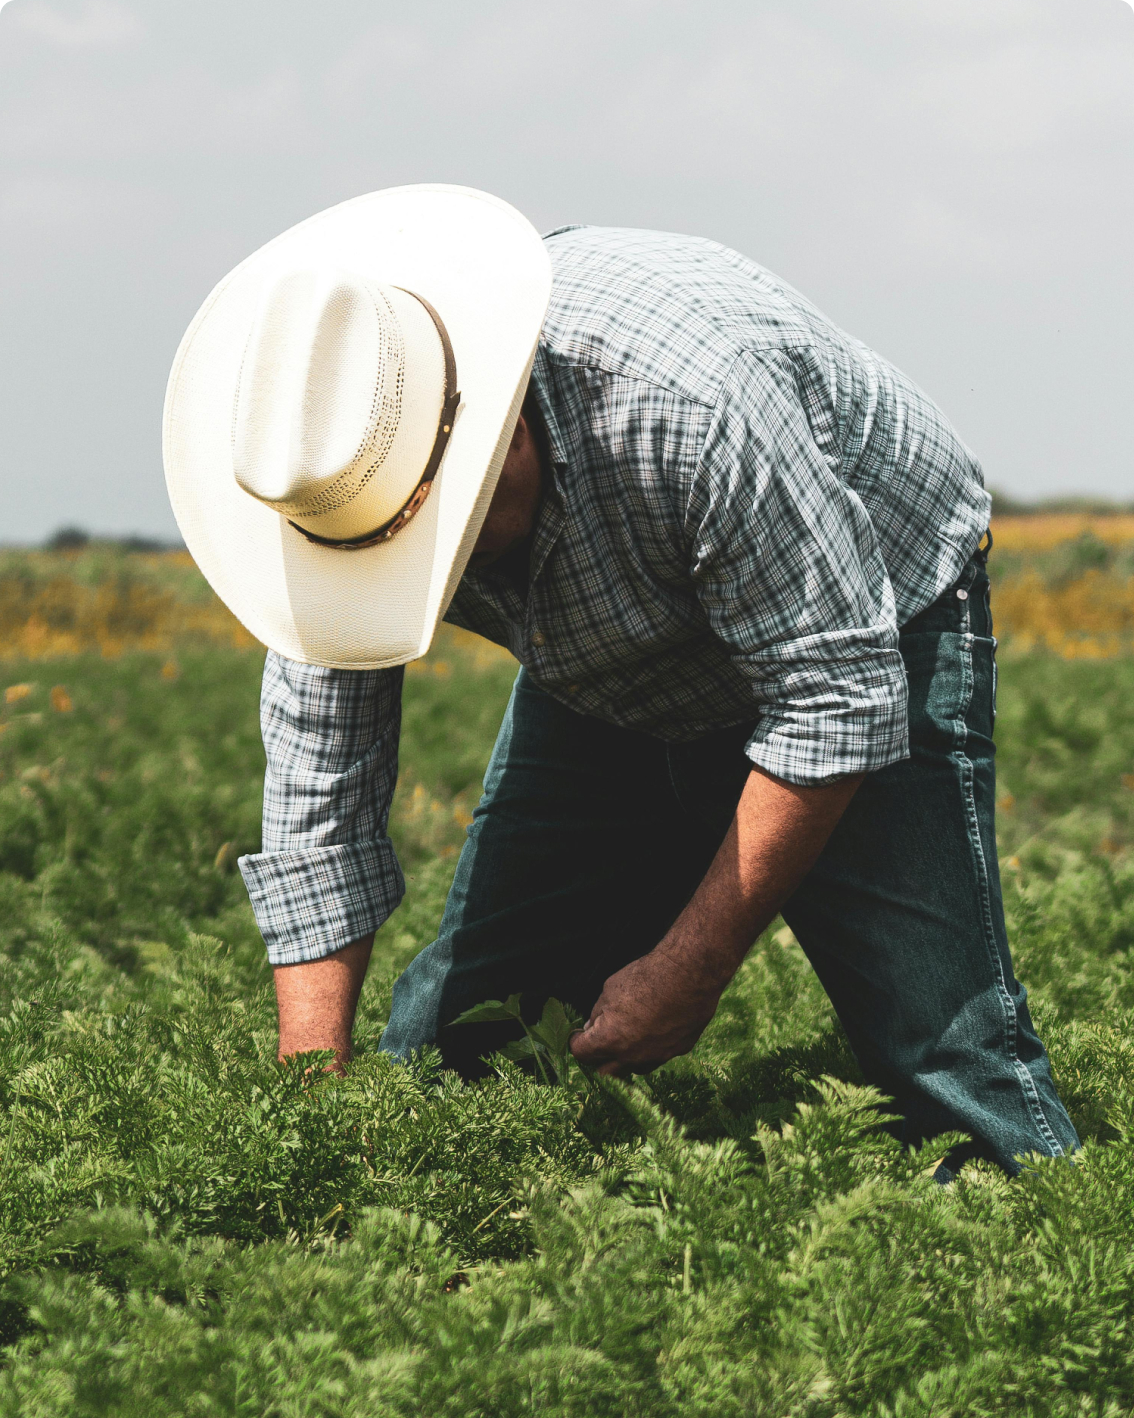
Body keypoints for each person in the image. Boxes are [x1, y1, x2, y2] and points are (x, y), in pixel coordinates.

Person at [165, 185, 1078, 1180]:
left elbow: (833, 702)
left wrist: (692, 967)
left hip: (871, 615)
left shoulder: (696, 405)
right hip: (607, 662)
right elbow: (319, 811)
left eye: (445, 528)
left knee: (940, 1053)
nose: (439, 560)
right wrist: (310, 1123)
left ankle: (1043, 1235)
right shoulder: (324, 477)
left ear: (496, 424)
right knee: (458, 1046)